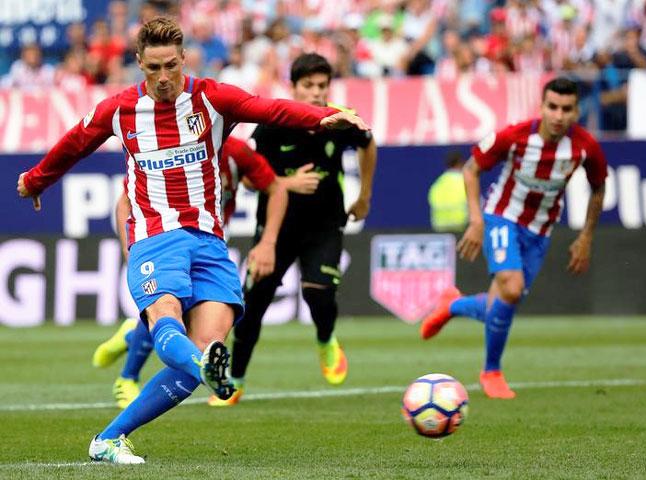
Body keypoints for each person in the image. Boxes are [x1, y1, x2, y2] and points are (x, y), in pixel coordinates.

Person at [16, 17, 368, 464]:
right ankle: (197, 369)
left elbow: (271, 109)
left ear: (184, 58)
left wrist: (323, 116)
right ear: (139, 64)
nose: (163, 78)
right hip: (154, 236)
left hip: (209, 242)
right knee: (172, 327)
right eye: (153, 69)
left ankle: (109, 438)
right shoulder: (120, 110)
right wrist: (35, 180)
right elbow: (74, 143)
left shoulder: (211, 98)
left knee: (204, 353)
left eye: (170, 66)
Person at [420, 77, 607, 400]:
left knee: (504, 302)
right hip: (502, 217)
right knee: (512, 286)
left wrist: (586, 236)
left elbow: (599, 187)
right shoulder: (516, 135)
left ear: (577, 111)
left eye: (566, 109)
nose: (558, 116)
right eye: (552, 107)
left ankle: (453, 304)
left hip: (540, 231)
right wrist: (476, 220)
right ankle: (491, 370)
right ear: (541, 107)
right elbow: (471, 169)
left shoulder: (585, 146)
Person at [212, 53, 377, 407]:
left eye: (322, 86)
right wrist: (286, 182)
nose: (317, 93)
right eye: (308, 86)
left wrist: (364, 195)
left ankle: (326, 339)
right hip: (276, 229)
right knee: (252, 306)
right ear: (294, 88)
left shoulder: (341, 118)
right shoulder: (272, 123)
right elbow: (253, 178)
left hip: (326, 225)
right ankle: (235, 382)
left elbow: (368, 143)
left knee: (318, 293)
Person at [92, 136, 293, 409]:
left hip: (209, 242)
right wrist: (132, 251)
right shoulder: (171, 146)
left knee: (183, 320)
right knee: (169, 308)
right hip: (164, 239)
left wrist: (269, 238)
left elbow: (269, 185)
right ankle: (127, 379)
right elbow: (125, 202)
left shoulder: (235, 151)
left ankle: (134, 335)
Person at [428, 150, 468, 232]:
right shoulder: (466, 181)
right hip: (461, 228)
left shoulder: (438, 183)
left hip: (440, 229)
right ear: (461, 163)